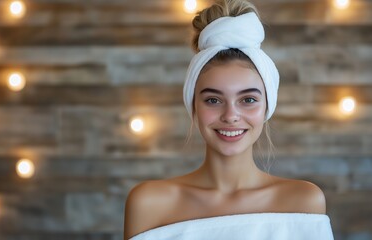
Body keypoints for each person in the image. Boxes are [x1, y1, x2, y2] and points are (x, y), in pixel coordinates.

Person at [123, 0, 334, 239]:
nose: (231, 116)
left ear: (267, 107)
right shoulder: (149, 203)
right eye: (213, 100)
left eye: (248, 100)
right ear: (193, 106)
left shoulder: (304, 201)